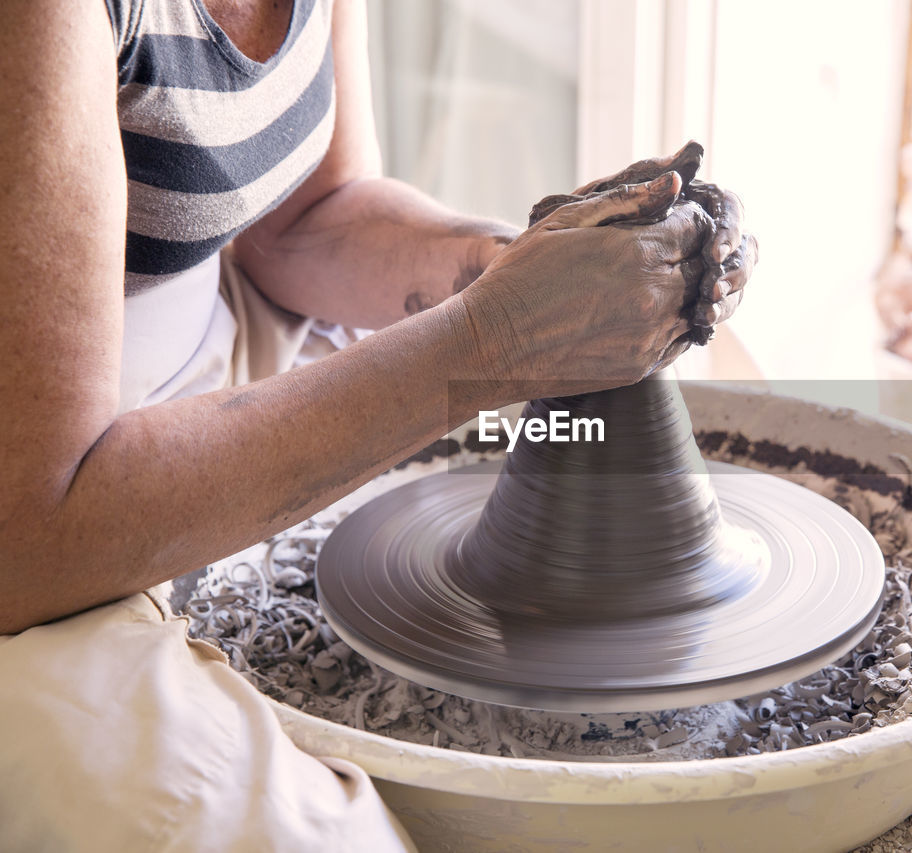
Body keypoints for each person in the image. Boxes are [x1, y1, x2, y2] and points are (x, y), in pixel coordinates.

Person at [0, 0, 755, 849]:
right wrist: (494, 340)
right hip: (54, 510)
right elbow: (31, 533)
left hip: (209, 345)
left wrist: (519, 272)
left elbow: (305, 217)